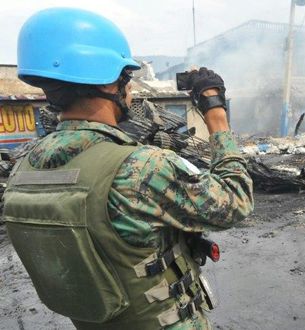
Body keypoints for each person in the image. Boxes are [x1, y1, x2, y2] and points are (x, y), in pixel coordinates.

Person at [3, 7, 253, 330]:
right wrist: (216, 114)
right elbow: (236, 200)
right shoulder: (141, 169)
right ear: (108, 82)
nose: (131, 89)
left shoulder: (22, 171)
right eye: (127, 79)